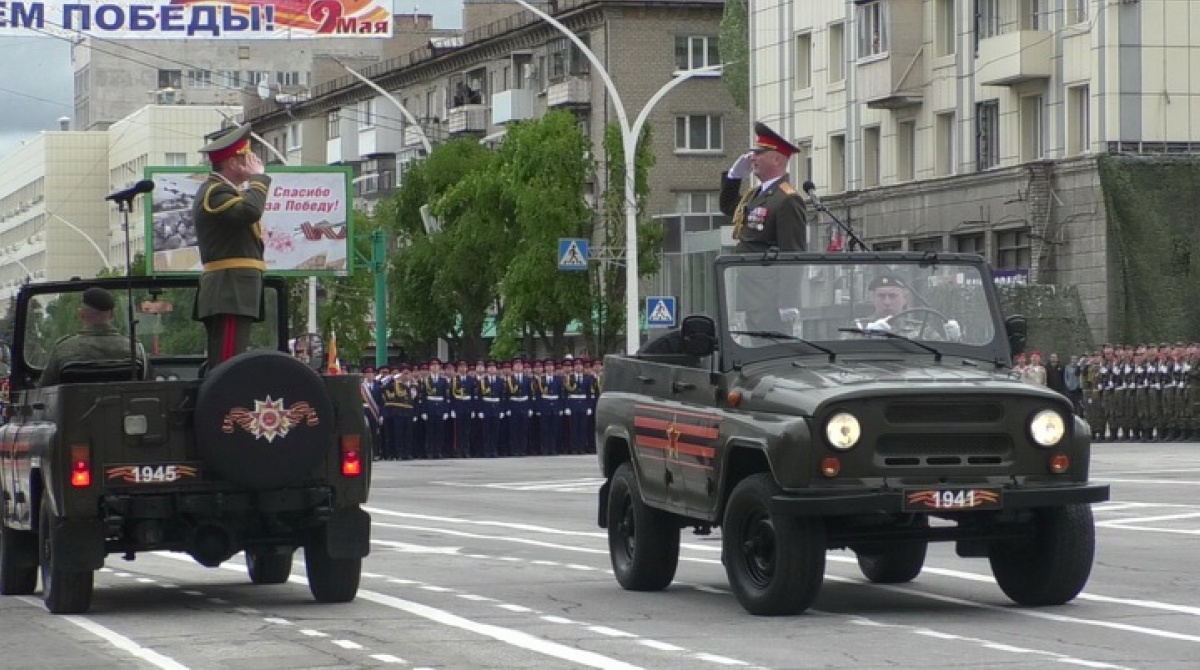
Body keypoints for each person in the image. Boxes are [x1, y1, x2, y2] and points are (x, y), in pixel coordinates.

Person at [192, 124, 272, 372]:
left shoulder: (224, 191)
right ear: (233, 163)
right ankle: (222, 409)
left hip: (234, 288)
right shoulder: (215, 191)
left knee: (230, 359)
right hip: (229, 289)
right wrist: (259, 178)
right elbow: (249, 211)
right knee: (227, 364)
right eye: (246, 157)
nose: (253, 162)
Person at [719, 121, 808, 333]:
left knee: (772, 353)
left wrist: (788, 301)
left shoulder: (787, 199)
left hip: (770, 298)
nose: (753, 158)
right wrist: (733, 178)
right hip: (752, 293)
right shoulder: (756, 195)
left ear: (776, 159)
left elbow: (793, 252)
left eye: (759, 153)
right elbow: (728, 207)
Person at [39, 287, 143, 387]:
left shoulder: (63, 349)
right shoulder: (135, 349)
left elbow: (44, 389)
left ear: (81, 314)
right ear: (112, 314)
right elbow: (149, 386)